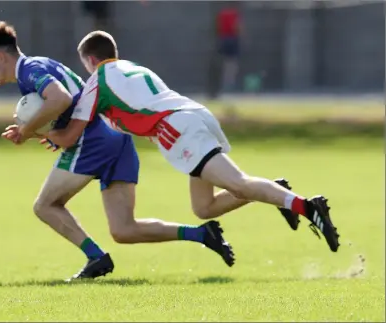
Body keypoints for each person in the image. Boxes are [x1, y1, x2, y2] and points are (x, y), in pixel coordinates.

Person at [0, 22, 236, 281]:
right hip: (116, 136)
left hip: (93, 139)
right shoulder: (40, 65)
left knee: (45, 205)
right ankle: (203, 234)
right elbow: (70, 100)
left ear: (0, 56)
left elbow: (60, 97)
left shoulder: (29, 70)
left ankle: (96, 258)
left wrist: (27, 130)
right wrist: (51, 132)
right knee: (124, 229)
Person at [40, 30, 340, 255]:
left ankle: (306, 206)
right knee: (204, 207)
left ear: (91, 60)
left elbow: (70, 136)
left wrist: (34, 132)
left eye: (85, 66)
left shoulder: (97, 81)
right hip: (195, 116)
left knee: (238, 183)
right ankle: (277, 192)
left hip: (178, 130)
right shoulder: (134, 68)